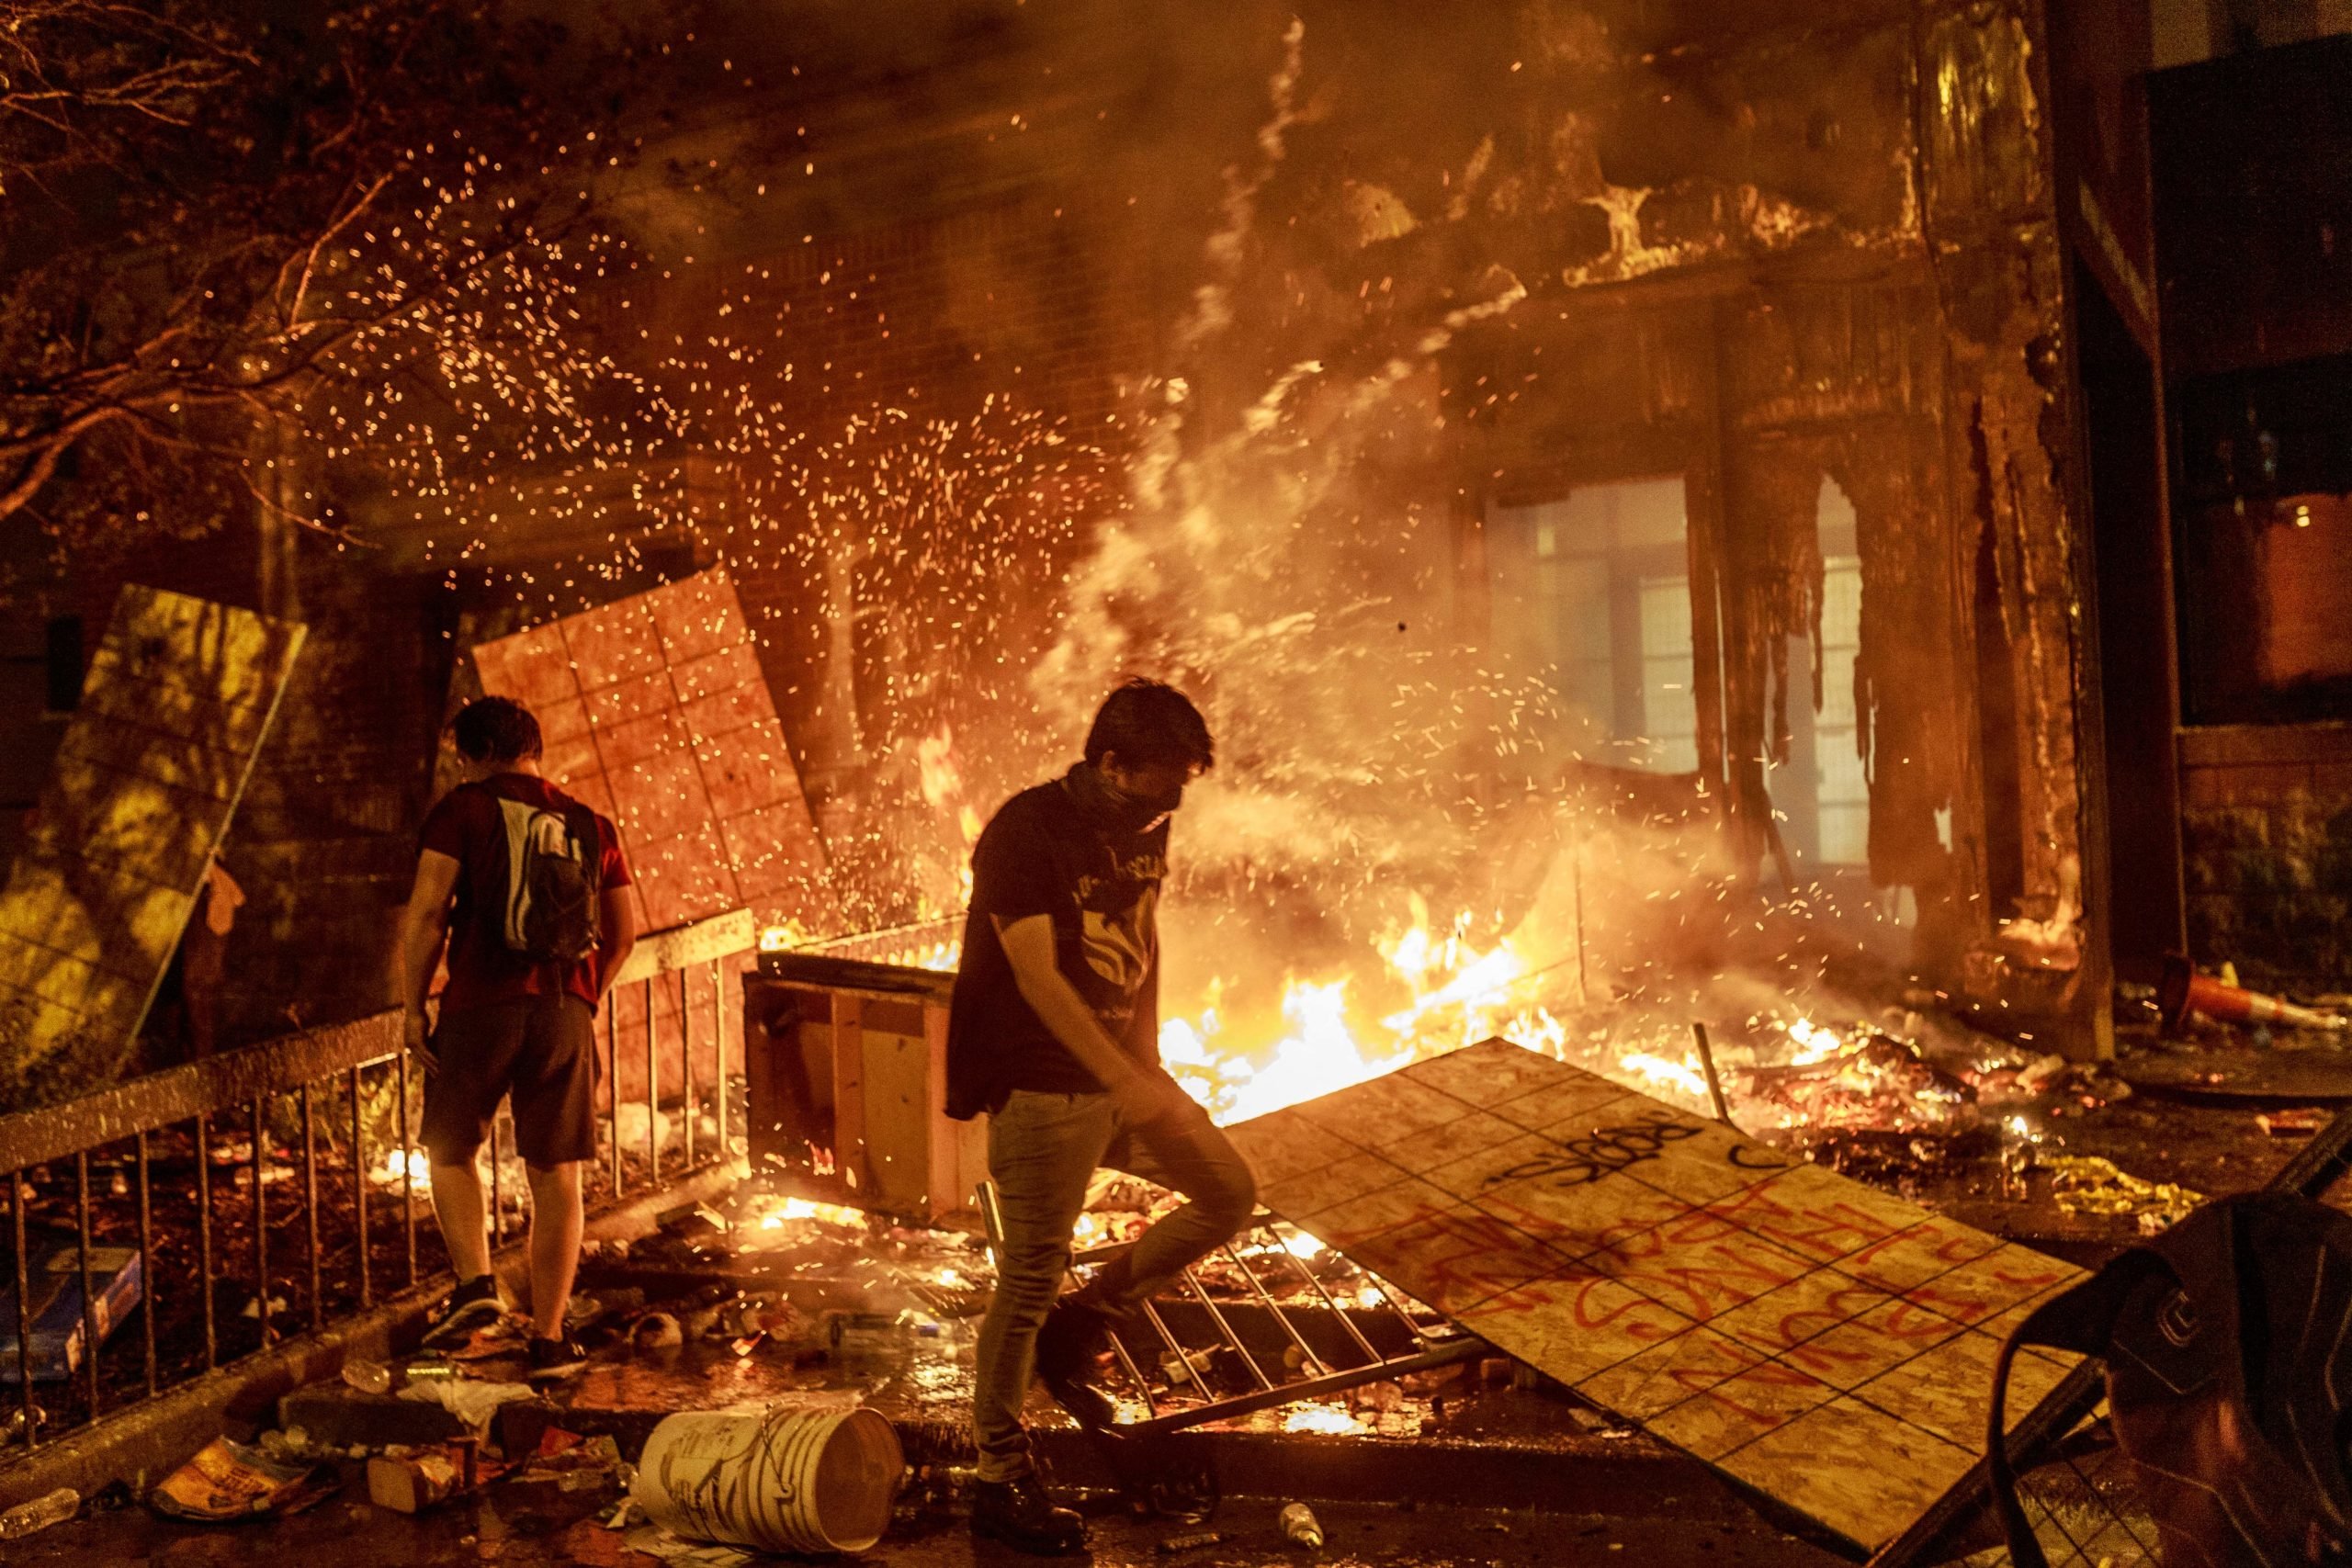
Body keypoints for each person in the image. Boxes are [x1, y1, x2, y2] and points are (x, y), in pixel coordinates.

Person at [947, 679, 1258, 1555]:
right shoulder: (1025, 831)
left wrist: (1144, 1062)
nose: (1175, 801)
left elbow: (1140, 937)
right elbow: (1038, 976)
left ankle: (1090, 1319)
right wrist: (1122, 1077)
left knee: (1228, 1191)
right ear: (1111, 764)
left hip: (1127, 1072)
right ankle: (998, 1478)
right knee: (1028, 1275)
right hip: (1047, 1082)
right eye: (1165, 781)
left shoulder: (1144, 821)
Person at [398, 696, 637, 1381]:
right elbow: (623, 934)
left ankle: (476, 1284)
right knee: (558, 1174)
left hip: (480, 1004)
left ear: (469, 753)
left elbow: (427, 914)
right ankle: (552, 1338)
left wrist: (413, 1008)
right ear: (535, 747)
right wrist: (585, 997)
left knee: (448, 1146)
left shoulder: (462, 811)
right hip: (566, 1010)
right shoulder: (593, 824)